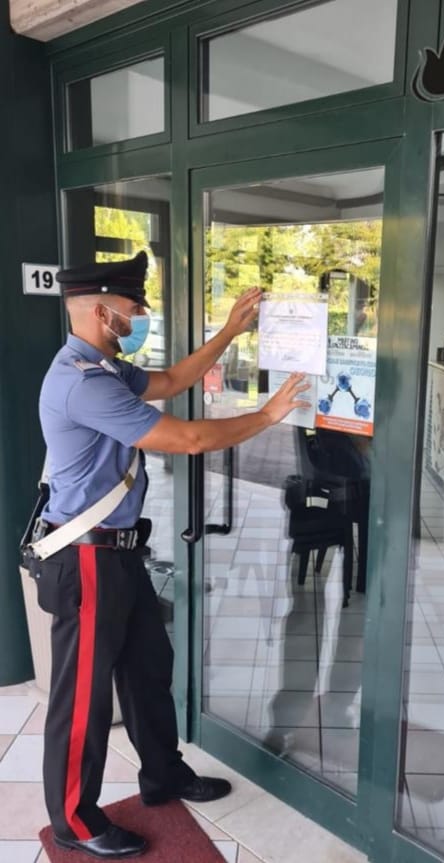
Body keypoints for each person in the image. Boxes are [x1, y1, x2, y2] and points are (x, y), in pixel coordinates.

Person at [34, 250, 309, 859]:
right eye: (135, 306)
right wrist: (266, 415)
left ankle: (164, 777)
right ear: (104, 311)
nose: (142, 313)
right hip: (87, 558)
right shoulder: (81, 381)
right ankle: (74, 823)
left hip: (121, 555)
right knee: (82, 697)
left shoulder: (103, 367)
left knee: (148, 674)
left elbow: (173, 381)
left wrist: (231, 331)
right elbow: (185, 437)